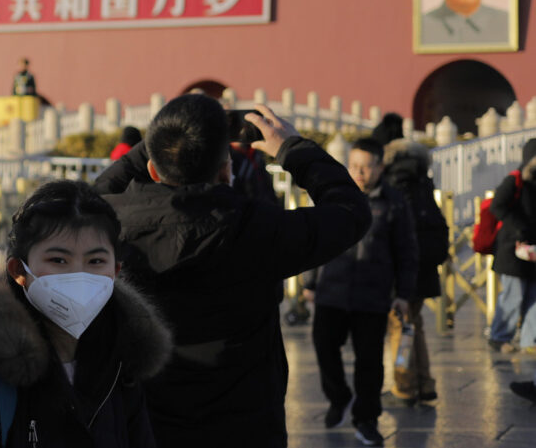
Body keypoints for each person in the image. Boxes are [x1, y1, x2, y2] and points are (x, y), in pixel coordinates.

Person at [95, 94, 372, 448]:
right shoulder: (259, 229)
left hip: (148, 424)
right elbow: (351, 210)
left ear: (152, 167)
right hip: (248, 426)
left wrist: (161, 141)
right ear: (227, 170)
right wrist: (291, 148)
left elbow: (79, 196)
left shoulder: (109, 227)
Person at [0, 180, 171, 447]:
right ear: (19, 270)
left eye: (96, 261)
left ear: (115, 272)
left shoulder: (121, 364)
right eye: (58, 260)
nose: (78, 276)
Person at [303, 138, 417, 447]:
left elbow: (406, 251)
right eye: (353, 166)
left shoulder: (393, 202)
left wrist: (403, 294)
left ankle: (366, 419)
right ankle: (338, 396)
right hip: (332, 291)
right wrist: (309, 283)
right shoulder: (335, 198)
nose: (359, 173)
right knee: (324, 347)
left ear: (380, 167)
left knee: (369, 361)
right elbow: (318, 238)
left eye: (366, 167)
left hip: (373, 294)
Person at [381, 137, 449, 405]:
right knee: (414, 325)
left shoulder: (395, 181)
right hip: (425, 265)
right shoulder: (423, 182)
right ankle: (425, 382)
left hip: (403, 267)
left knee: (400, 325)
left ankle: (405, 386)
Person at [487, 138, 536, 353]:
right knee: (513, 296)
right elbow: (497, 206)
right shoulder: (514, 181)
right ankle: (499, 336)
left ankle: (530, 340)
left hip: (533, 250)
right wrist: (519, 227)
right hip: (512, 249)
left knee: (534, 297)